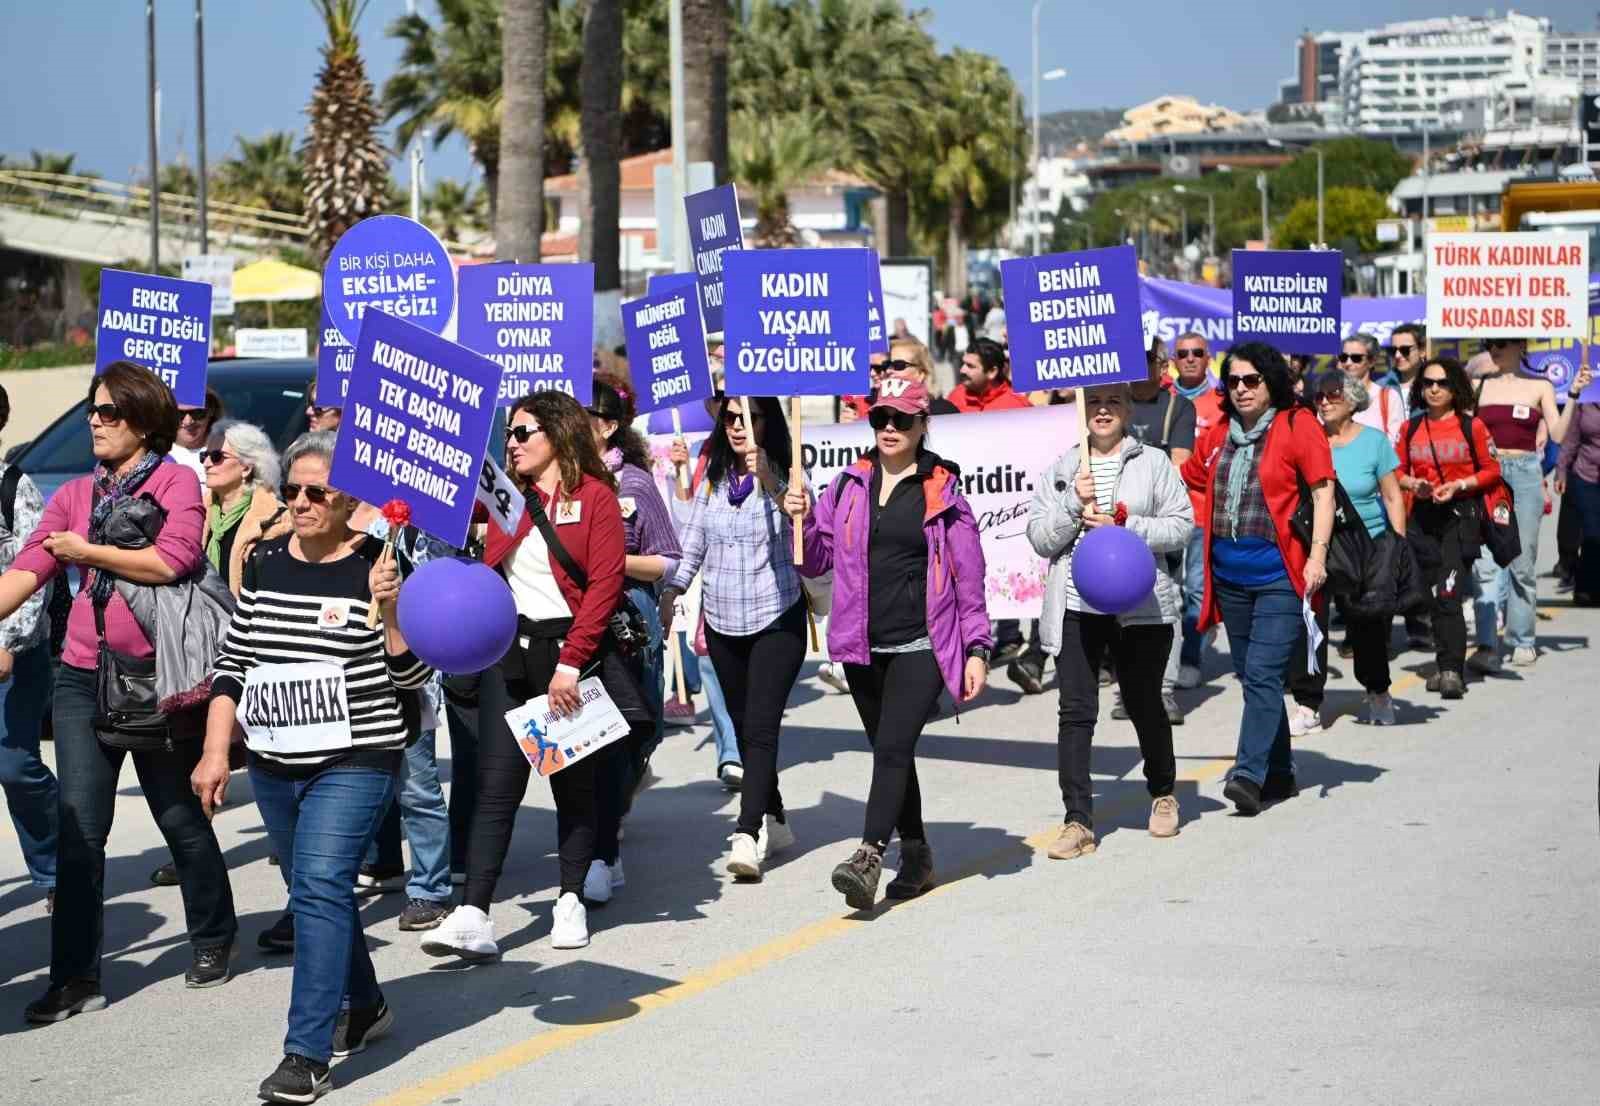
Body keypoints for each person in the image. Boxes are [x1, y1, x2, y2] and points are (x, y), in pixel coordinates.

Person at [192, 430, 431, 1102]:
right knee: (315, 891)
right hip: (272, 762)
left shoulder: (379, 565)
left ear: (346, 499)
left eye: (314, 492)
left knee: (324, 880)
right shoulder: (266, 561)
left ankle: (307, 1052)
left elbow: (411, 673)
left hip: (355, 759)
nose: (298, 501)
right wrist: (217, 751)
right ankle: (366, 1003)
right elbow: (234, 664)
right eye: (291, 489)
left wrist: (389, 610)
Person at [0, 362, 238, 1022]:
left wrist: (88, 551)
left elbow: (174, 560)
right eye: (92, 411)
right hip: (81, 677)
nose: (95, 423)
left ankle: (215, 935)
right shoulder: (74, 494)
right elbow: (27, 569)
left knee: (179, 818)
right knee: (80, 830)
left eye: (109, 413)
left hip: (158, 680)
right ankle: (76, 977)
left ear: (142, 421)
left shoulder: (176, 482)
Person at [425, 392, 626, 959]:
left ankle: (569, 899)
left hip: (569, 655)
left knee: (572, 786)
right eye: (508, 435)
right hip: (509, 654)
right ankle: (473, 913)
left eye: (521, 433)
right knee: (495, 787)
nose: (510, 444)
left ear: (557, 435)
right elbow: (457, 522)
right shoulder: (506, 499)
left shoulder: (596, 500)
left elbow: (605, 588)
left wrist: (571, 662)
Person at [786, 375, 991, 908]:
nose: (890, 428)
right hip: (861, 645)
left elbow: (970, 580)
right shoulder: (848, 484)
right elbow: (815, 559)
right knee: (890, 753)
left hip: (923, 642)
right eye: (881, 418)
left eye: (902, 418)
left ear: (924, 424)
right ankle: (918, 852)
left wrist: (977, 648)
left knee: (895, 747)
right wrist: (802, 521)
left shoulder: (943, 492)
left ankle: (870, 854)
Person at [1028, 383, 1194, 856]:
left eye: (1113, 402)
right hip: (1079, 606)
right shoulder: (1063, 467)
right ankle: (1077, 820)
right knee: (1076, 712)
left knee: (1144, 703)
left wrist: (1128, 525)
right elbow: (1040, 539)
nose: (1103, 411)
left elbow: (1182, 525)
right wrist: (1069, 507)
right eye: (1094, 403)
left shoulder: (1154, 463)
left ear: (1128, 409)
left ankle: (1163, 793)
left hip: (1140, 606)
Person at [1182, 342, 1335, 815]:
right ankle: (1283, 770)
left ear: (1271, 382)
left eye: (1252, 380)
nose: (1242, 389)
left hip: (1278, 575)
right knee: (1254, 679)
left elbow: (1323, 493)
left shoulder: (1297, 424)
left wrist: (1317, 557)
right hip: (1229, 576)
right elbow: (1184, 475)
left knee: (1266, 674)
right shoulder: (1220, 432)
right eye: (1233, 381)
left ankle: (1247, 773)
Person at [660, 395, 806, 880]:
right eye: (731, 419)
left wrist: (769, 476)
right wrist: (673, 591)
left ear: (769, 422)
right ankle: (777, 817)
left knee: (762, 728)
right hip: (722, 622)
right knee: (744, 729)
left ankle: (746, 833)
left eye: (750, 417)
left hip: (776, 619)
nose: (739, 426)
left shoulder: (790, 473)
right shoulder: (716, 479)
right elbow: (694, 542)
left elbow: (804, 527)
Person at [583, 374, 682, 904]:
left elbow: (668, 559)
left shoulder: (636, 484)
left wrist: (611, 562)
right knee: (584, 737)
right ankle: (598, 850)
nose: (577, 424)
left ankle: (610, 830)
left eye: (589, 416)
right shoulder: (562, 482)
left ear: (611, 426)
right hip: (576, 624)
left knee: (633, 730)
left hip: (629, 619)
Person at [1288, 374, 1407, 729]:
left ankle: (1378, 692)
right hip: (1318, 544)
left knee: (1367, 627)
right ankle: (1308, 704)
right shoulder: (1309, 440)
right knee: (1311, 625)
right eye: (1319, 396)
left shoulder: (1374, 442)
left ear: (1353, 401)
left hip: (1365, 544)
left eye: (1333, 395)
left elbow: (1392, 496)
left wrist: (1396, 546)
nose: (1324, 402)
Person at [1467, 337, 1590, 670]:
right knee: (1486, 564)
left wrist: (1574, 394)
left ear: (1520, 346)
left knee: (1522, 562)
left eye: (1502, 343)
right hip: (1489, 474)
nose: (1494, 348)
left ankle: (1522, 639)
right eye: (1489, 342)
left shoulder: (1540, 385)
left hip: (1523, 472)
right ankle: (1486, 644)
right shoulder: (1478, 385)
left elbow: (1559, 434)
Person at [1397, 357, 1503, 700]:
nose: (1434, 389)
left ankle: (1451, 670)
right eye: (1427, 383)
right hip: (1423, 520)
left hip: (1461, 517)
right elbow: (1395, 471)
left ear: (1455, 387)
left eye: (1441, 383)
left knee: (1448, 593)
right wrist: (1414, 484)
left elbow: (1492, 470)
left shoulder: (1472, 427)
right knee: (1432, 596)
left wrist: (1459, 485)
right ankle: (1444, 664)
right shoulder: (1410, 429)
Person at [1114, 335, 1196, 725]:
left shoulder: (1179, 406)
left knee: (1169, 603)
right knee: (1116, 604)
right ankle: (1125, 689)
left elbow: (1179, 462)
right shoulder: (1113, 400)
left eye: (1147, 358)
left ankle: (1163, 690)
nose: (1139, 364)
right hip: (1114, 520)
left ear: (1162, 366)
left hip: (1158, 519)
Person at [665, 396, 745, 787]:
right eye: (718, 404)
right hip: (716, 585)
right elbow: (687, 526)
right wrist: (681, 472)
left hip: (764, 588)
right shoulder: (704, 454)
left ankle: (753, 746)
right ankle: (732, 753)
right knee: (712, 663)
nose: (726, 413)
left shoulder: (772, 451)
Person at [0, 382, 58, 914]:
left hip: (14, 654)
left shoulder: (16, 488)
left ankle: (59, 867)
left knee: (15, 765)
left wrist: (7, 644)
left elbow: (33, 571)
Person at [1170, 332, 1219, 691]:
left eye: (1197, 353)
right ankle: (1166, 658)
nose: (1189, 358)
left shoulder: (1221, 401)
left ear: (1208, 358)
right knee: (1168, 588)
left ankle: (1192, 657)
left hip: (1204, 511)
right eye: (1182, 353)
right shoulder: (1163, 400)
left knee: (1198, 590)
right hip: (1167, 513)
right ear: (1173, 360)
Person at [200, 420, 288, 594]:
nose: (206, 463)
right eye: (204, 455)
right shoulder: (198, 509)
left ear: (246, 468)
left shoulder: (276, 520)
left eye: (217, 457)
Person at [1556, 387, 1600, 605]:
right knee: (1592, 533)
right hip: (1586, 474)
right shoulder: (1586, 401)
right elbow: (1570, 439)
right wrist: (1561, 471)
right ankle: (1584, 587)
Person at [1339, 334, 1405, 443]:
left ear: (1371, 361)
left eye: (1356, 358)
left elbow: (1396, 443)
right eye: (1343, 357)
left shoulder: (1389, 397)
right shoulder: (1329, 397)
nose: (1348, 363)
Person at [947, 337, 1031, 413]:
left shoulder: (1017, 407)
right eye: (963, 363)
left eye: (970, 366)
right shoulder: (955, 397)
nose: (962, 370)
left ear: (992, 372)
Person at [169, 387, 225, 483]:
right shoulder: (154, 453)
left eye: (197, 413)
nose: (188, 422)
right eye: (180, 414)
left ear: (211, 411)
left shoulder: (228, 452)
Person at [1388, 324, 1426, 396]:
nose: (1397, 355)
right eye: (1393, 350)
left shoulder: (1434, 386)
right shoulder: (1380, 387)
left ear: (1422, 351)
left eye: (1405, 350)